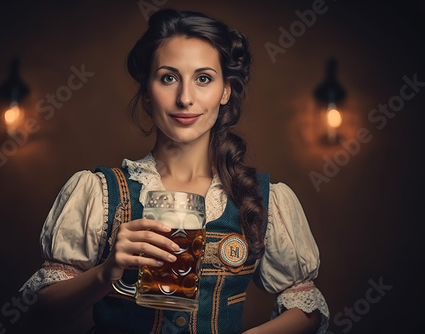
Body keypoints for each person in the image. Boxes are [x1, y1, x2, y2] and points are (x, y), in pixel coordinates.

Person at [20, 8, 329, 334]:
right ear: (147, 93)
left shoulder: (262, 199)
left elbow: (307, 309)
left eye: (203, 79)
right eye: (168, 78)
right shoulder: (101, 193)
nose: (185, 98)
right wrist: (105, 272)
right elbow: (39, 315)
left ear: (225, 91)